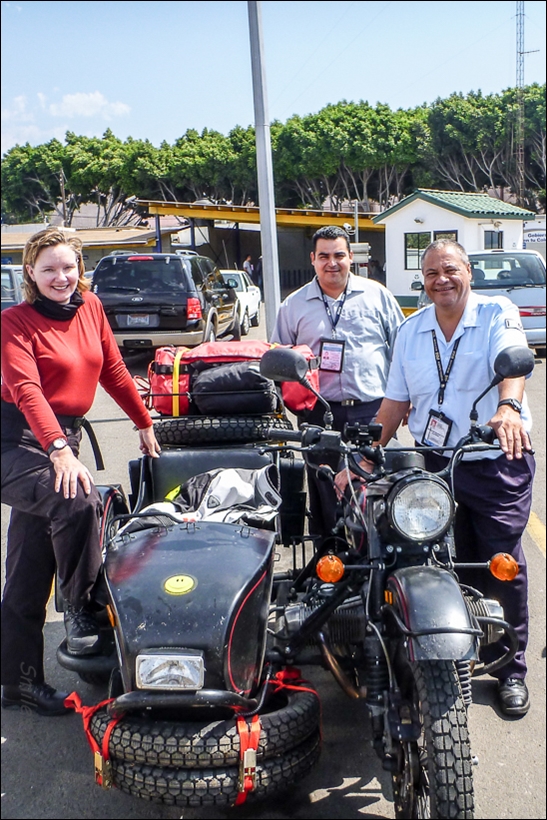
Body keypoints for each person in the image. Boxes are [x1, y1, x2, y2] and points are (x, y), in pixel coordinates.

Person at [337, 238, 535, 717]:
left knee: (497, 561)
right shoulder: (411, 330)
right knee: (440, 561)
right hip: (435, 463)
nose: (441, 280)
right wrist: (362, 459)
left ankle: (509, 669)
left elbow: (513, 361)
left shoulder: (496, 312)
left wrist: (507, 407)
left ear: (468, 270)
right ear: (421, 281)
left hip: (494, 458)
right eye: (431, 274)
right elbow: (394, 405)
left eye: (450, 269)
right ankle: (453, 658)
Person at [1, 227, 161, 716]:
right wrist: (58, 451)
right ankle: (82, 608)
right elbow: (26, 390)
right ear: (30, 272)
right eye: (48, 268)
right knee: (78, 499)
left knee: (28, 566)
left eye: (68, 267)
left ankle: (17, 682)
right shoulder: (14, 321)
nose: (60, 277)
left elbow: (112, 367)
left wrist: (144, 422)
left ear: (80, 268)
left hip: (58, 439)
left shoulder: (90, 309)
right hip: (13, 440)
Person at [271, 225, 404, 535]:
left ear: (351, 257)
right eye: (324, 256)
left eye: (339, 255)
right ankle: (329, 568)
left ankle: (372, 567)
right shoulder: (293, 305)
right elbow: (279, 362)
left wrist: (405, 401)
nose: (333, 263)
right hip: (318, 413)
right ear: (313, 260)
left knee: (375, 488)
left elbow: (402, 350)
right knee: (326, 492)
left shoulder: (378, 296)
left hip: (372, 410)